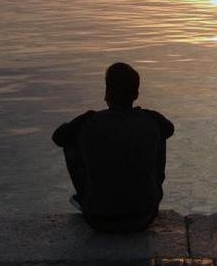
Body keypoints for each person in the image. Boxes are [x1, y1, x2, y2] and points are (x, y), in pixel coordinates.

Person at [52, 62, 174, 232]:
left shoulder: (89, 122)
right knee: (158, 134)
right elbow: (169, 129)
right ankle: (144, 192)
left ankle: (86, 194)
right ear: (136, 94)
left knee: (70, 141)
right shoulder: (150, 119)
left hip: (97, 217)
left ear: (107, 92)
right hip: (144, 216)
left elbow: (58, 137)